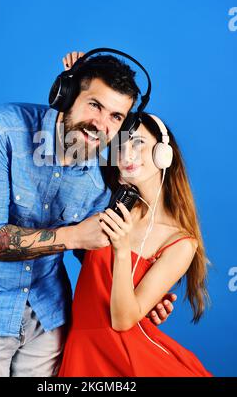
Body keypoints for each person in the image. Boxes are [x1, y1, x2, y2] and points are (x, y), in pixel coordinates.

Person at [0, 50, 176, 377]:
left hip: (48, 316)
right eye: (95, 105)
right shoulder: (0, 131)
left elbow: (94, 254)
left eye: (116, 117)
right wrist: (74, 235)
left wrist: (140, 292)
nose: (100, 125)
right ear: (66, 94)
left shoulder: (99, 175)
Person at [58, 111, 213, 377]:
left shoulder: (180, 243)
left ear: (163, 152)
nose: (126, 154)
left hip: (129, 358)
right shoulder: (108, 206)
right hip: (81, 348)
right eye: (120, 145)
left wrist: (121, 250)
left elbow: (122, 321)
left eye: (138, 142)